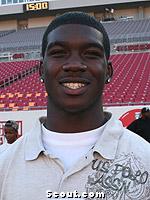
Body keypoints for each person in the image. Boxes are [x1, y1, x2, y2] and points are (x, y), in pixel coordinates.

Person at [0, 12, 150, 200]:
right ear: (41, 70)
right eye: (59, 53)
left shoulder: (145, 160)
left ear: (108, 71)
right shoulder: (4, 164)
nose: (74, 65)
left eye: (91, 54)